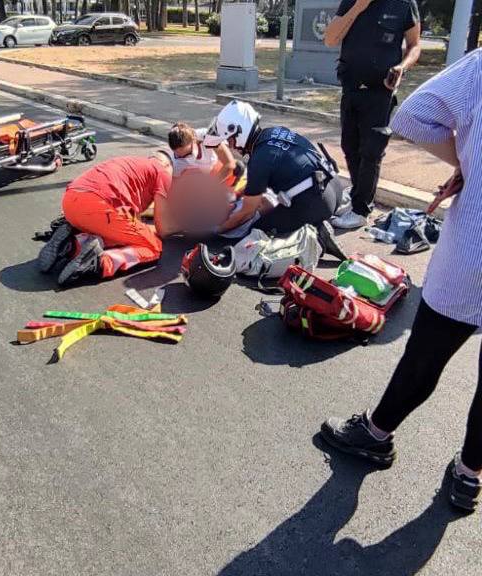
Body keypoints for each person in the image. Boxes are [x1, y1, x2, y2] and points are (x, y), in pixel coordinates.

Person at [320, 49, 482, 512]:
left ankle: (375, 433)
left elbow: (411, 116)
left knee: (426, 354)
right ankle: (470, 475)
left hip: (474, 246)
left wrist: (469, 162)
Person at [203, 100, 348, 259]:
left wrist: (217, 230)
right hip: (333, 186)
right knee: (270, 206)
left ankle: (318, 238)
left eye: (230, 140)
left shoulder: (259, 159)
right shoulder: (272, 132)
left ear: (240, 131)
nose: (231, 146)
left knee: (255, 235)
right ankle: (313, 222)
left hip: (318, 203)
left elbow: (246, 212)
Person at [324, 0, 421, 229]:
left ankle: (361, 210)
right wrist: (358, 7)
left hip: (381, 92)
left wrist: (402, 67)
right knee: (349, 146)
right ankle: (358, 195)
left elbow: (415, 45)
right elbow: (330, 39)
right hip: (351, 87)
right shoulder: (351, 2)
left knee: (371, 151)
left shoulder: (404, 5)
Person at [37, 152, 179, 285]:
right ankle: (99, 262)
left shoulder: (132, 165)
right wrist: (182, 227)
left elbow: (130, 222)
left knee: (123, 237)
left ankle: (70, 246)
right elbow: (162, 228)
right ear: (167, 165)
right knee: (153, 246)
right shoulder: (162, 172)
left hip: (71, 202)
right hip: (100, 206)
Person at [168, 122, 243, 188]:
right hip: (197, 180)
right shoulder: (175, 163)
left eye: (187, 154)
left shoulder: (207, 136)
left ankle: (231, 194)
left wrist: (211, 186)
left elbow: (230, 164)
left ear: (194, 139)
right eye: (179, 156)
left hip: (215, 170)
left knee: (238, 167)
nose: (182, 157)